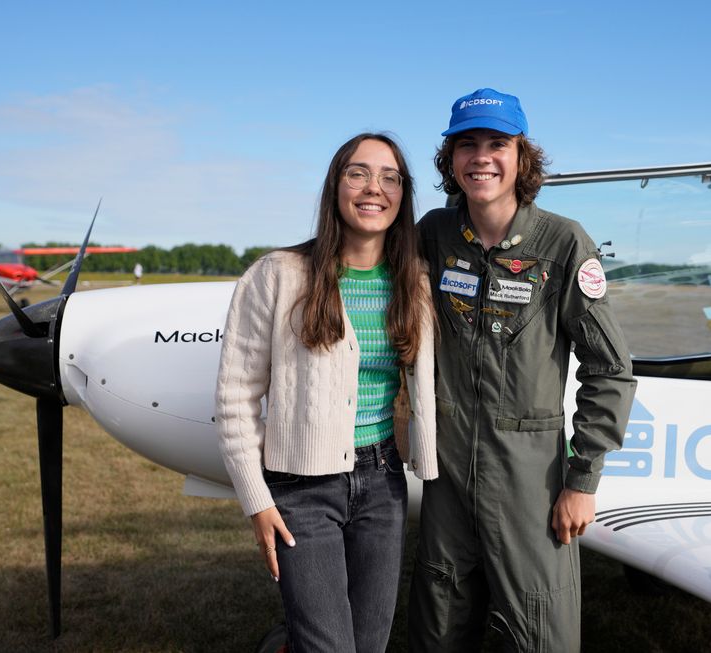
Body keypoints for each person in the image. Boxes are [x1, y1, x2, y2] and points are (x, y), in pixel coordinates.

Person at [408, 89, 637, 652]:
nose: (481, 157)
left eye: (497, 143)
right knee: (437, 622)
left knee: (541, 630)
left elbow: (610, 369)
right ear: (450, 159)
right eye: (467, 144)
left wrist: (581, 482)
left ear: (521, 157)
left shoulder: (562, 243)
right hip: (447, 474)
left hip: (529, 479)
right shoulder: (433, 235)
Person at [215, 132, 438, 653]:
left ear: (402, 195)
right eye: (357, 173)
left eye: (389, 177)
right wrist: (256, 501)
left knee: (369, 645)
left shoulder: (416, 283)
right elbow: (234, 399)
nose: (373, 188)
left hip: (382, 485)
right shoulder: (277, 275)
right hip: (302, 489)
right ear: (335, 186)